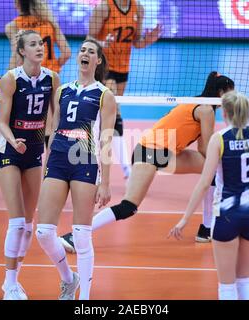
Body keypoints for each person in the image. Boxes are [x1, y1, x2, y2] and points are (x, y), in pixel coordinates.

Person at [60, 71, 235, 252]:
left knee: (213, 169)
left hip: (159, 152)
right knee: (129, 206)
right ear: (221, 92)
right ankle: (75, 236)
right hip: (150, 153)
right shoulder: (206, 110)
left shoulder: (198, 103)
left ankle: (206, 229)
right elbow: (205, 149)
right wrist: (230, 157)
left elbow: (203, 150)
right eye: (230, 93)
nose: (232, 98)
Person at [169, 75, 249, 300]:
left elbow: (204, 184)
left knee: (227, 286)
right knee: (245, 281)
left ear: (224, 113)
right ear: (247, 111)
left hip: (227, 215)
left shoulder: (219, 139)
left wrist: (184, 219)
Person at [35, 39, 117, 300]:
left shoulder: (105, 94)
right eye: (82, 50)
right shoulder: (62, 91)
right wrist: (48, 159)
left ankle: (85, 299)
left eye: (91, 52)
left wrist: (105, 182)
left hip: (85, 159)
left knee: (81, 236)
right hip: (59, 157)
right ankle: (69, 279)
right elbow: (53, 127)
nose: (85, 53)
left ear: (98, 61)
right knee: (44, 232)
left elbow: (105, 138)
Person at [0, 30, 58, 300]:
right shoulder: (10, 80)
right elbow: (1, 122)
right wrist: (14, 141)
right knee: (18, 221)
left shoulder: (52, 78)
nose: (39, 47)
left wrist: (51, 147)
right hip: (9, 151)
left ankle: (14, 280)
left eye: (41, 43)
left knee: (30, 225)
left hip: (34, 152)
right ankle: (8, 284)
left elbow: (55, 120)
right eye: (33, 44)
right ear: (22, 51)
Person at [89, 0, 162, 179]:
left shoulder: (138, 9)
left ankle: (97, 162)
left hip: (123, 68)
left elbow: (136, 42)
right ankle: (125, 170)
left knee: (106, 116)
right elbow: (89, 39)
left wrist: (149, 40)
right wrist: (102, 43)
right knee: (114, 112)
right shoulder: (104, 8)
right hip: (104, 67)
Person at [6, 0, 71, 149]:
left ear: (17, 3)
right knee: (54, 126)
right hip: (51, 79)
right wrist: (54, 66)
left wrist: (4, 83)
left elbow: (16, 59)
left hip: (29, 82)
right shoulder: (50, 22)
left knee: (24, 126)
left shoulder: (13, 27)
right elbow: (67, 52)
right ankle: (51, 168)